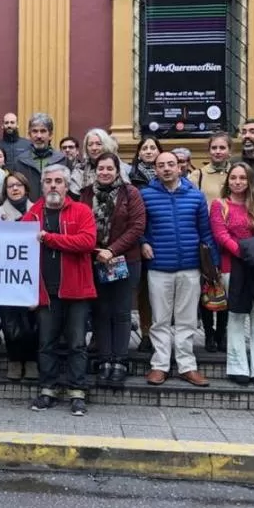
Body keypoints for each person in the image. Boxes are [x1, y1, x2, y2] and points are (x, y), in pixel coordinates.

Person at [22, 164, 97, 416]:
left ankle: (78, 393)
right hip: (45, 291)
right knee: (46, 343)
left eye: (58, 181)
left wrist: (49, 238)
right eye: (48, 181)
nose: (53, 185)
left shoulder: (82, 211)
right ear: (42, 186)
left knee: (77, 344)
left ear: (67, 186)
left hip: (76, 291)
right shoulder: (32, 215)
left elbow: (87, 242)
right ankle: (47, 390)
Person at [140, 151, 216, 387]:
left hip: (190, 266)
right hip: (159, 266)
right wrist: (143, 242)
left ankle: (187, 366)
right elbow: (139, 226)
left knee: (187, 320)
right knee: (160, 320)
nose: (166, 169)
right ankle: (160, 365)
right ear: (155, 169)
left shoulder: (195, 196)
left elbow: (206, 232)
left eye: (170, 164)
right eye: (161, 165)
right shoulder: (146, 195)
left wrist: (213, 265)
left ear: (180, 167)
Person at [210, 163, 254, 386]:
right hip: (232, 267)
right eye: (234, 178)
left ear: (249, 181)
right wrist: (244, 252)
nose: (238, 182)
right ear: (228, 181)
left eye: (242, 178)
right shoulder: (219, 205)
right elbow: (221, 235)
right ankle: (238, 367)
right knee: (236, 317)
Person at [77, 153, 146, 389]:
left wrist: (112, 250)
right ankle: (105, 360)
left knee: (121, 311)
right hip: (94, 260)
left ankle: (120, 361)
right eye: (101, 168)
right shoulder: (85, 193)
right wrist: (98, 251)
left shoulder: (130, 193)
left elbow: (137, 226)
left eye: (109, 168)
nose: (105, 172)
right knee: (101, 311)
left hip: (126, 260)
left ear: (117, 170)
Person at [0, 171, 38, 380]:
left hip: (32, 277)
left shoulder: (38, 211)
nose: (15, 189)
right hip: (6, 276)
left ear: (26, 188)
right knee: (10, 322)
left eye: (19, 185)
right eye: (11, 186)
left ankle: (30, 360)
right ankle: (13, 359)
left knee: (31, 323)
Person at [189, 131, 232, 352]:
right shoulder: (198, 175)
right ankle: (208, 333)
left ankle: (222, 332)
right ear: (209, 151)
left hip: (228, 239)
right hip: (206, 239)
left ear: (229, 151)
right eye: (214, 148)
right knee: (207, 286)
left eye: (222, 148)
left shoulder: (236, 174)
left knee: (224, 287)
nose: (218, 151)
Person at [128, 136, 161, 353]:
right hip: (140, 240)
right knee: (143, 291)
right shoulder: (131, 179)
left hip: (162, 239)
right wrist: (141, 240)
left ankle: (162, 334)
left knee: (161, 291)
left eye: (153, 148)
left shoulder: (168, 176)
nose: (149, 151)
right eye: (145, 148)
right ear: (139, 153)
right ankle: (146, 333)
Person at [17, 112, 68, 201]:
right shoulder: (19, 162)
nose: (39, 136)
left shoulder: (63, 161)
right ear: (29, 135)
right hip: (28, 212)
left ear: (51, 135)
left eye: (43, 131)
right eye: (35, 131)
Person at [68, 128, 129, 195]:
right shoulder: (79, 170)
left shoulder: (121, 167)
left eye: (98, 144)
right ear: (86, 148)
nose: (94, 148)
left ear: (106, 145)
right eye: (90, 145)